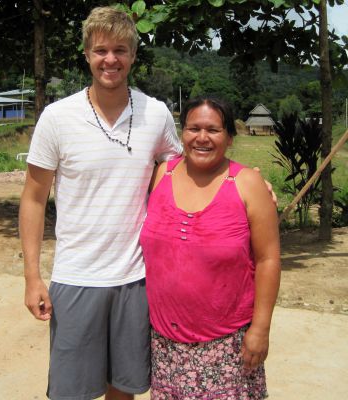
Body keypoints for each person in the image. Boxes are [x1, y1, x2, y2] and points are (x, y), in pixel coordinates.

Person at [19, 6, 182, 400]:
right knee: (72, 391)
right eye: (101, 50)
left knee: (123, 389)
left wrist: (247, 181)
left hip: (136, 279)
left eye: (121, 50)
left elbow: (181, 170)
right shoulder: (58, 118)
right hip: (76, 278)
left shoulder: (156, 114)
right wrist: (31, 277)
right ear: (87, 54)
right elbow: (33, 198)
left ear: (133, 55)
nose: (111, 59)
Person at [140, 96, 281, 399]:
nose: (202, 137)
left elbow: (268, 259)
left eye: (213, 130)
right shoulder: (160, 175)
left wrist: (261, 329)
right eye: (193, 128)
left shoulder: (247, 184)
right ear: (182, 134)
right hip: (166, 346)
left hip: (226, 347)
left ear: (230, 137)